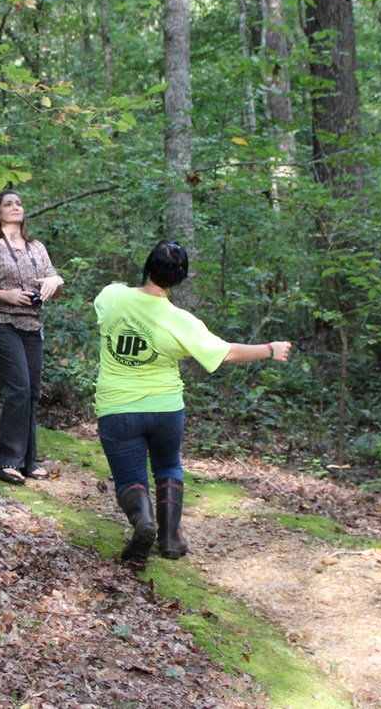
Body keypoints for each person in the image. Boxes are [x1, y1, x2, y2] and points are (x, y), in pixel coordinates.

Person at [93, 240, 292, 563]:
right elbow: (226, 353)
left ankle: (144, 523)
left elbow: (106, 300)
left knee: (131, 479)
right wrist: (269, 349)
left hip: (117, 408)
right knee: (168, 466)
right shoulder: (181, 321)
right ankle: (170, 538)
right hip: (166, 408)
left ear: (147, 267)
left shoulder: (112, 296)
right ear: (180, 279)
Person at [0, 190, 64, 485]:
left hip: (32, 325)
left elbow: (53, 284)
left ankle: (27, 460)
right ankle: (5, 460)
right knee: (17, 389)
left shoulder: (36, 247)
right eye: (8, 204)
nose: (15, 207)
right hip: (0, 322)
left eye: (19, 203)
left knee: (31, 392)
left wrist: (56, 281)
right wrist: (5, 295)